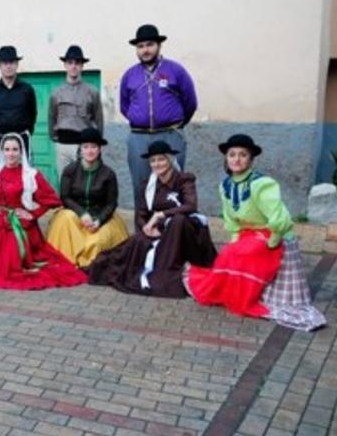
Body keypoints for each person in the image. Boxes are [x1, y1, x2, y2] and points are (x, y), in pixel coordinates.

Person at [184, 135, 326, 331]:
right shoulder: (225, 185)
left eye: (243, 155)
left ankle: (248, 296)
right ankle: (231, 293)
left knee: (244, 252)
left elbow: (279, 217)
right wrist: (235, 238)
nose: (237, 159)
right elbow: (229, 216)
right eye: (232, 155)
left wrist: (274, 239)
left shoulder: (262, 184)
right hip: (248, 233)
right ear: (226, 158)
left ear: (251, 160)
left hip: (273, 234)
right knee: (229, 253)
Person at [87, 141, 216, 297]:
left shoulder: (184, 180)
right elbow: (141, 214)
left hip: (184, 232)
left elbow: (191, 206)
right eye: (153, 161)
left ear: (170, 160)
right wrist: (147, 228)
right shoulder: (148, 184)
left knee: (178, 220)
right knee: (129, 250)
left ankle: (168, 273)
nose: (157, 164)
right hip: (158, 230)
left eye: (161, 159)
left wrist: (161, 214)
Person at [0, 133, 87, 290]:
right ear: (2, 151)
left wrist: (32, 214)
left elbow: (52, 200)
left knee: (13, 253)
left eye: (15, 150)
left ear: (21, 152)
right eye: (7, 149)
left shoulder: (31, 175)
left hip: (22, 225)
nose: (11, 154)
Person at [121, 24, 197, 209]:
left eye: (149, 44)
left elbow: (190, 102)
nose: (145, 50)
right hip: (139, 137)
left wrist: (176, 124)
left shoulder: (176, 71)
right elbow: (124, 106)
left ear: (159, 45)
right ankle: (143, 232)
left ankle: (172, 229)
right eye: (140, 46)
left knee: (173, 184)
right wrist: (139, 119)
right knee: (141, 184)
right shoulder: (130, 75)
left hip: (170, 136)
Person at [45, 128, 128, 267]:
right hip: (74, 215)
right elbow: (65, 197)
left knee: (98, 242)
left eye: (94, 147)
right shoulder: (70, 170)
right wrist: (82, 213)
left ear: (100, 149)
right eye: (86, 146)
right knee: (65, 219)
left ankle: (90, 264)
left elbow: (111, 203)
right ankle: (69, 259)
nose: (90, 151)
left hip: (100, 216)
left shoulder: (108, 174)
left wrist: (99, 221)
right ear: (80, 149)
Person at [49, 45, 102, 170]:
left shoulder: (92, 91)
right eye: (70, 62)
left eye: (77, 63)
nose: (74, 66)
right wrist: (55, 137)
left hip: (85, 145)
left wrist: (97, 144)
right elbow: (52, 116)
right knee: (65, 183)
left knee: (86, 184)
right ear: (65, 65)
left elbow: (98, 119)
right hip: (63, 145)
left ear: (82, 66)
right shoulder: (56, 93)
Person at [0, 46, 37, 166]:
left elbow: (32, 114)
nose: (8, 66)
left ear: (17, 64)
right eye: (5, 63)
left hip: (21, 139)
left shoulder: (27, 90)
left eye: (12, 62)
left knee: (24, 176)